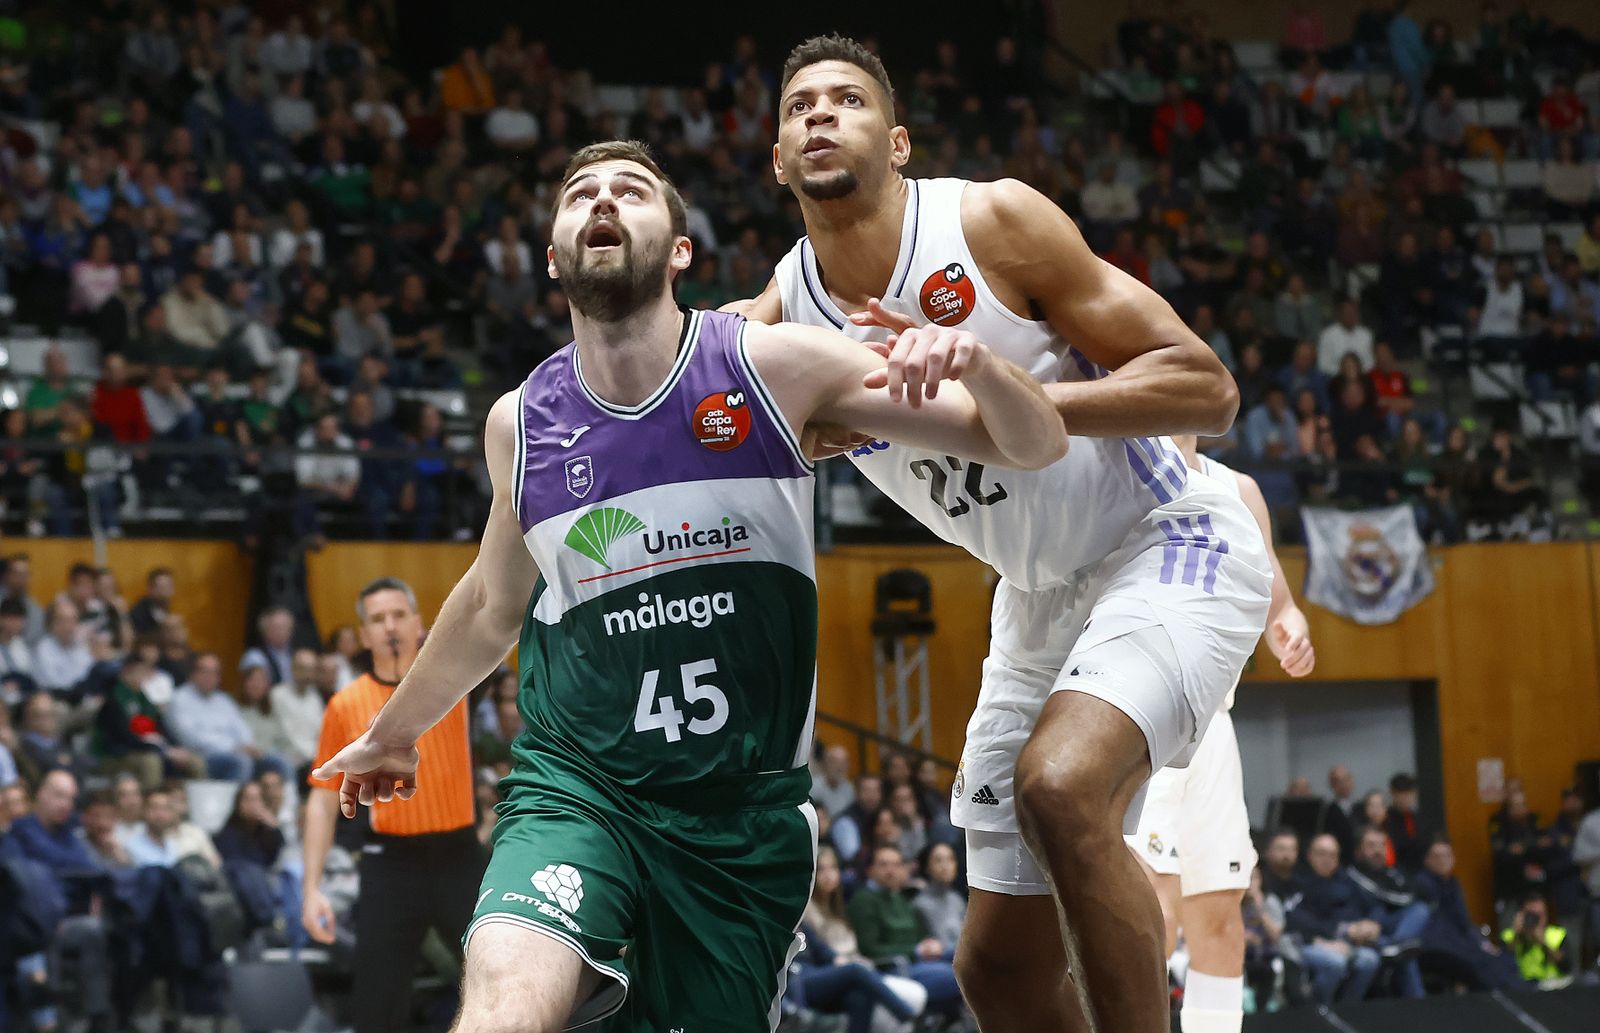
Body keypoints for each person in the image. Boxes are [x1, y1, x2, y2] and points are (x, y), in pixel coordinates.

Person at [312, 139, 1065, 1032]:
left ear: (679, 249)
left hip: (737, 818)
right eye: (579, 193)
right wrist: (395, 733)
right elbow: (489, 602)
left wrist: (978, 361)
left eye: (629, 191)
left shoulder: (775, 364)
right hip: (579, 785)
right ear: (553, 256)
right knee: (505, 1003)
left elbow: (1031, 443)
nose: (601, 201)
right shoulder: (521, 422)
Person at [733, 35, 1272, 1033]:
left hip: (1163, 538)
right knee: (998, 973)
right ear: (774, 159)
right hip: (1035, 599)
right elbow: (671, 390)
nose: (817, 114)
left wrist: (1002, 389)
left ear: (895, 143)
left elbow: (1207, 386)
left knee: (1060, 786)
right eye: (798, 105)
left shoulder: (989, 221)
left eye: (844, 100)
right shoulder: (781, 319)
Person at [1124, 438, 1315, 1033]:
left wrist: (1289, 629)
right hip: (1143, 710)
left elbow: (1279, 604)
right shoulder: (1120, 467)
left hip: (1213, 727)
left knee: (1222, 918)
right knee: (1151, 911)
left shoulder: (1240, 490)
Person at [301, 577, 482, 1033]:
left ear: (421, 624)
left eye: (399, 615)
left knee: (501, 979)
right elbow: (322, 801)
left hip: (458, 856)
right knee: (376, 1008)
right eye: (378, 620)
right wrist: (311, 888)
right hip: (390, 864)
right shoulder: (345, 704)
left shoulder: (455, 680)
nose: (390, 627)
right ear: (364, 636)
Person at [1501, 893, 1570, 984]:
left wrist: (1543, 943)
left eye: (1540, 915)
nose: (1535, 920)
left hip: (1551, 984)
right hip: (1521, 985)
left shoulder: (1558, 935)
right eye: (1531, 915)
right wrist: (1517, 936)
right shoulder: (1509, 936)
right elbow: (1501, 965)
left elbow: (1567, 967)